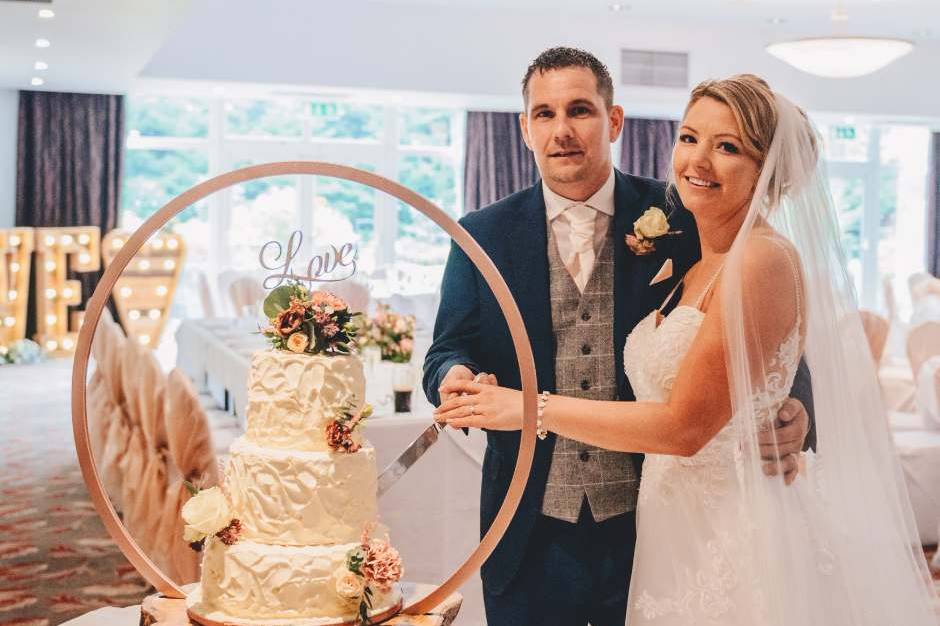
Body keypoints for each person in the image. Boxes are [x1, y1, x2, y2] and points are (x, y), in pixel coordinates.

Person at [437, 73, 938, 624]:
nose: (562, 130)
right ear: (524, 129)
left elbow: (766, 343)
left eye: (580, 109)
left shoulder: (682, 212)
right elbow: (449, 346)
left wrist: (794, 406)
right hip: (534, 525)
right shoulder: (480, 233)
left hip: (653, 526)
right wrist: (456, 374)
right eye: (544, 113)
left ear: (615, 120)